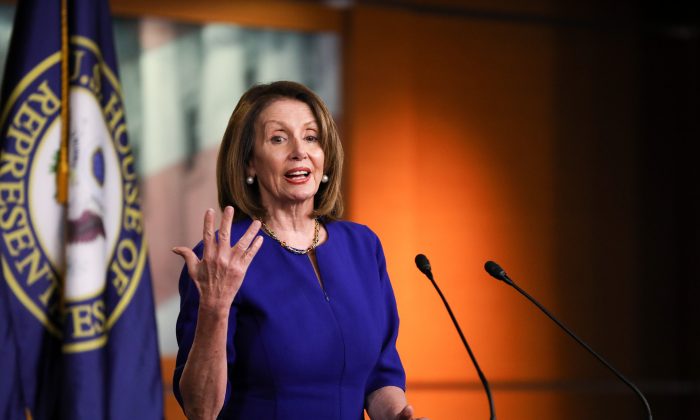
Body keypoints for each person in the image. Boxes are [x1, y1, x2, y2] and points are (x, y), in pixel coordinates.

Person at [172, 81, 426, 420]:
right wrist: (215, 307)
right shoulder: (221, 258)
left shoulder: (363, 247)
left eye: (311, 137)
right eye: (278, 138)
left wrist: (397, 415)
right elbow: (200, 409)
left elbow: (380, 376)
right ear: (249, 162)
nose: (299, 151)